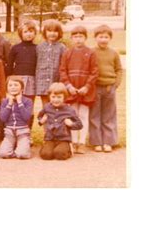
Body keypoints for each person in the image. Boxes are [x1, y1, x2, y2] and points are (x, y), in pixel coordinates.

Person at [59, 25, 99, 154]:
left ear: (85, 38)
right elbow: (62, 71)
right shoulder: (67, 53)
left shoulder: (91, 53)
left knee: (83, 115)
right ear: (71, 38)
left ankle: (81, 142)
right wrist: (68, 86)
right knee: (72, 115)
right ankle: (73, 141)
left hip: (85, 90)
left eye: (81, 36)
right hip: (71, 89)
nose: (78, 39)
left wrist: (87, 86)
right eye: (75, 37)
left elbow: (94, 72)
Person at [89, 24, 123, 153]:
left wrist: (115, 84)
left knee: (108, 115)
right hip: (95, 87)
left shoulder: (113, 53)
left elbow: (119, 69)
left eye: (106, 37)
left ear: (110, 38)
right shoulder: (91, 52)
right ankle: (96, 142)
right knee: (94, 115)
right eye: (100, 37)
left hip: (109, 87)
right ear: (95, 38)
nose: (103, 39)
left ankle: (108, 141)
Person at [37, 83, 83, 160]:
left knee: (59, 154)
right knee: (46, 155)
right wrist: (41, 121)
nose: (56, 100)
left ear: (64, 97)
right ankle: (49, 148)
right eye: (53, 97)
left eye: (59, 97)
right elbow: (39, 116)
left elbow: (79, 125)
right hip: (50, 138)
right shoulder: (47, 107)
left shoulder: (69, 110)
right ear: (49, 97)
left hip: (63, 139)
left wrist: (71, 124)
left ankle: (68, 149)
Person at [0, 76, 32, 159]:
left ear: (22, 88)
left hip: (22, 132)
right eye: (10, 85)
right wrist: (9, 104)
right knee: (3, 154)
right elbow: (3, 118)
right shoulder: (5, 101)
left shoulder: (27, 101)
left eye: (16, 85)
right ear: (7, 89)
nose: (13, 87)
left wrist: (20, 103)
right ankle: (14, 147)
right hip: (9, 132)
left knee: (22, 154)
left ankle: (22, 146)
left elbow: (27, 117)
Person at [35, 19, 66, 105]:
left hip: (55, 80)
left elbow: (63, 64)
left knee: (57, 103)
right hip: (42, 81)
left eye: (55, 31)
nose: (52, 33)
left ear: (59, 33)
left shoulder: (62, 47)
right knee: (45, 105)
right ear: (45, 32)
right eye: (49, 31)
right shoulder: (39, 47)